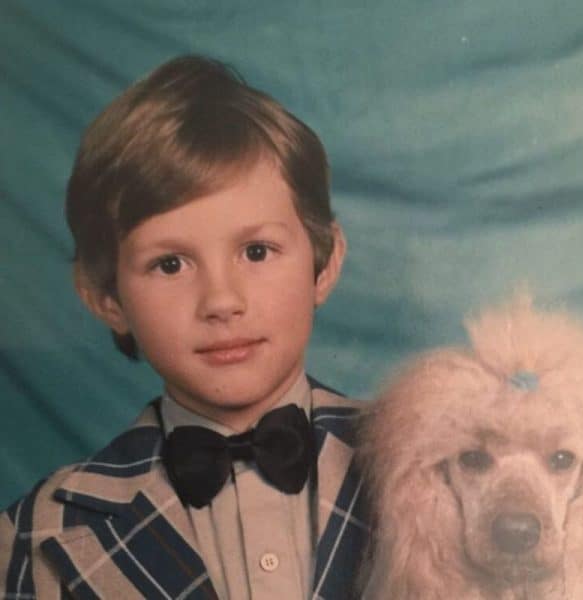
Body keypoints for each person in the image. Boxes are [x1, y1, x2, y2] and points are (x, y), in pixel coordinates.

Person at [0, 55, 368, 599]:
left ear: (325, 261)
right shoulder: (33, 538)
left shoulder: (439, 466)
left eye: (257, 251)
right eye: (170, 264)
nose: (221, 301)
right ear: (105, 297)